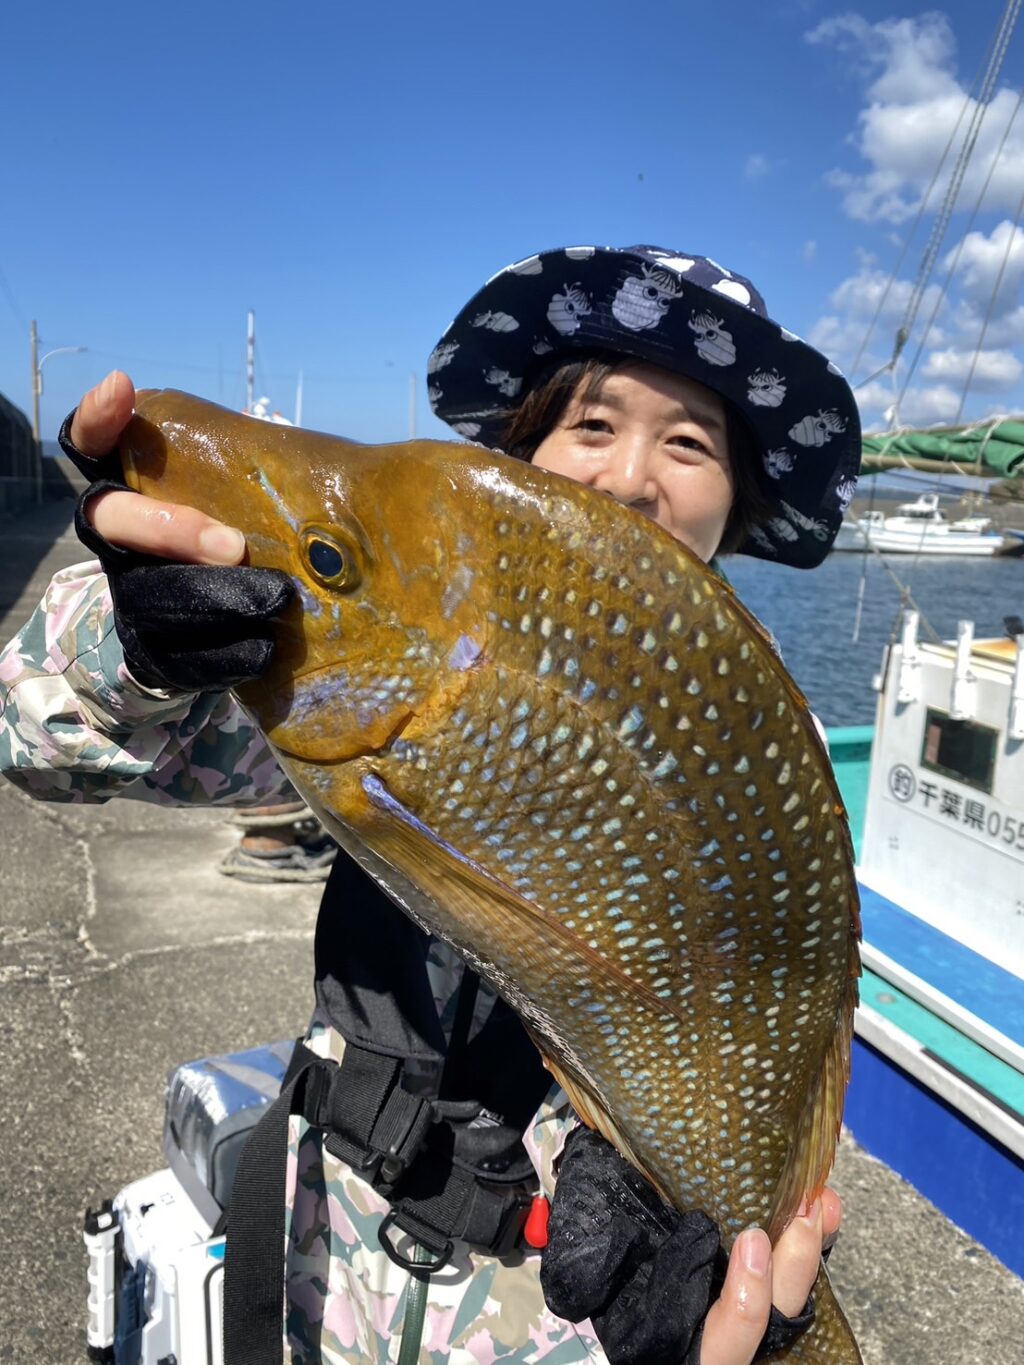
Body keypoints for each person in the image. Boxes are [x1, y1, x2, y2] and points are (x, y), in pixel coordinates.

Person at [0, 246, 860, 1365]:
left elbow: (767, 1034)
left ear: (739, 498)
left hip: (556, 1319)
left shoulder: (762, 765)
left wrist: (740, 1270)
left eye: (689, 442)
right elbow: (40, 744)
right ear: (523, 453)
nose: (629, 476)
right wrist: (141, 645)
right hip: (325, 1254)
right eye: (592, 424)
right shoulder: (418, 655)